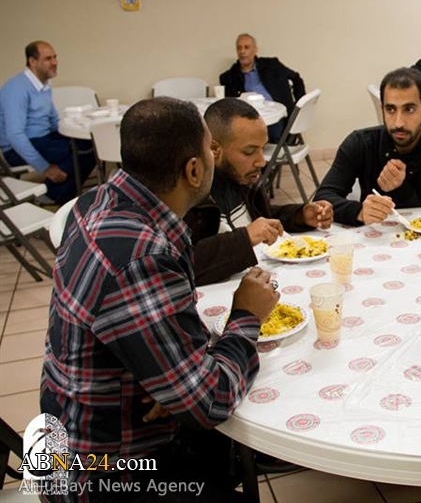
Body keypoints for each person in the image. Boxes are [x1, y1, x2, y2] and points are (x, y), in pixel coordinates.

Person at [41, 97, 279, 501]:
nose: (214, 155)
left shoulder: (97, 201)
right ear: (193, 169)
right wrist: (247, 313)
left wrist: (166, 382)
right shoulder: (141, 257)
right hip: (104, 475)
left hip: (74, 432)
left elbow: (150, 330)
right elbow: (211, 400)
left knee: (223, 442)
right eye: (210, 150)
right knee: (230, 419)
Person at [184, 98, 334, 286]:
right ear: (214, 149)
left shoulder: (244, 179)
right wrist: (245, 238)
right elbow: (185, 263)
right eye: (249, 152)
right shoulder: (190, 197)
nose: (261, 161)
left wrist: (300, 215)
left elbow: (263, 218)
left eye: (263, 148)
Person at [313, 67, 421, 226]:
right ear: (382, 110)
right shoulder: (360, 143)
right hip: (369, 237)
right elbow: (323, 199)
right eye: (390, 109)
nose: (398, 123)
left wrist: (402, 190)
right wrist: (359, 211)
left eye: (409, 109)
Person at [0, 41, 95, 204]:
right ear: (32, 61)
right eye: (48, 59)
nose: (55, 62)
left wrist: (71, 131)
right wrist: (46, 168)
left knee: (88, 143)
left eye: (55, 57)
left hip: (44, 138)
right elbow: (15, 135)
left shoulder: (44, 84)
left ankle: (56, 193)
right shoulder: (16, 88)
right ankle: (54, 196)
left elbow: (53, 120)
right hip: (16, 149)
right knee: (77, 149)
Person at [219, 33, 306, 143]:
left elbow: (296, 79)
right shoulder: (229, 77)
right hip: (251, 120)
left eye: (246, 47)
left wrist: (300, 105)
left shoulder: (272, 65)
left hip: (277, 117)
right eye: (239, 48)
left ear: (255, 50)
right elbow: (231, 106)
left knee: (270, 132)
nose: (242, 51)